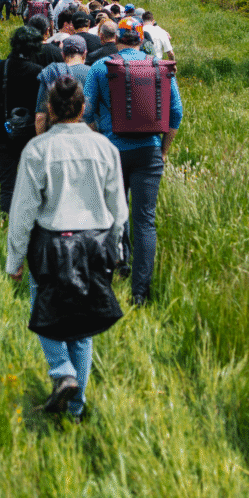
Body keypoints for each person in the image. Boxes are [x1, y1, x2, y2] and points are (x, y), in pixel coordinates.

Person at [6, 76, 128, 419]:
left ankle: (62, 372)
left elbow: (23, 211)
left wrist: (15, 258)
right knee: (83, 329)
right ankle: (76, 409)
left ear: (50, 108)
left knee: (45, 312)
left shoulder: (38, 150)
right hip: (94, 243)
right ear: (83, 107)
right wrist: (117, 251)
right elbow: (118, 208)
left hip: (52, 244)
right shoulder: (105, 148)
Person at [83, 24, 183, 306]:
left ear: (116, 40)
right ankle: (140, 292)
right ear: (141, 40)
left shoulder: (100, 67)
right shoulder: (159, 67)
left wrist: (99, 136)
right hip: (148, 151)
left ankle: (117, 265)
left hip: (112, 151)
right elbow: (176, 112)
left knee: (113, 213)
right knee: (145, 221)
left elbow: (86, 111)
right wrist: (163, 150)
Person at [0, 26, 43, 213]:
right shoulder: (38, 71)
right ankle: (29, 220)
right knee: (31, 183)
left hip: (1, 132)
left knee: (7, 186)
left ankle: (7, 220)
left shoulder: (1, 66)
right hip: (29, 135)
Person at [34, 34, 90, 134]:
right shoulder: (93, 72)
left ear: (63, 54)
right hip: (87, 135)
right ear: (85, 54)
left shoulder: (51, 73)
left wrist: (42, 139)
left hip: (56, 136)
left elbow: (40, 117)